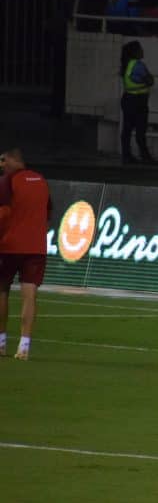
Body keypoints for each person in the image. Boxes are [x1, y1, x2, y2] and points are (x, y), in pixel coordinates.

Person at [0, 149, 52, 361]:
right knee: (30, 295)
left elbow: (2, 212)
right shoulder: (41, 181)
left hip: (9, 246)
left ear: (15, 160)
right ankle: (24, 347)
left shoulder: (6, 181)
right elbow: (48, 213)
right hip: (36, 247)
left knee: (2, 291)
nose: (1, 164)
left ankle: (1, 343)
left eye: (3, 160)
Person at [119, 40, 158, 166]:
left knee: (127, 128)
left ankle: (127, 155)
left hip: (127, 99)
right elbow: (150, 81)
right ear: (135, 52)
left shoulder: (127, 64)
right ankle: (145, 156)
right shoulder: (139, 65)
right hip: (138, 101)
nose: (142, 51)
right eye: (140, 49)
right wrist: (149, 78)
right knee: (140, 130)